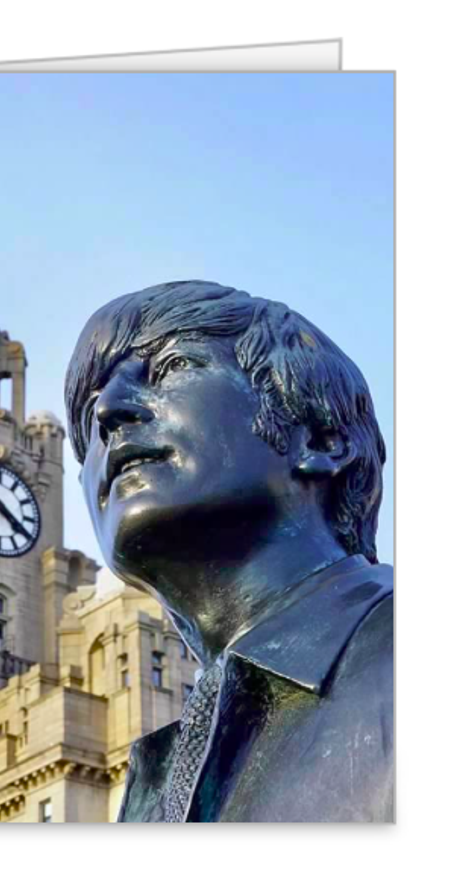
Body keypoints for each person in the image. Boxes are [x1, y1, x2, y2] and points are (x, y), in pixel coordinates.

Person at [65, 280, 393, 822]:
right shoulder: (152, 791)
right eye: (84, 418)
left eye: (173, 366)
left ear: (319, 439)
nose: (108, 409)